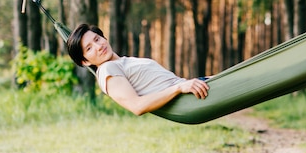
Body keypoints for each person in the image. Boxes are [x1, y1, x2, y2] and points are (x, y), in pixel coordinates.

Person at [66, 24, 210, 116]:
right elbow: (137, 106)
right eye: (89, 48)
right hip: (188, 98)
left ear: (104, 38)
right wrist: (179, 88)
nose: (98, 47)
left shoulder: (121, 62)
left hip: (193, 90)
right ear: (84, 61)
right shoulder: (106, 70)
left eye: (97, 39)